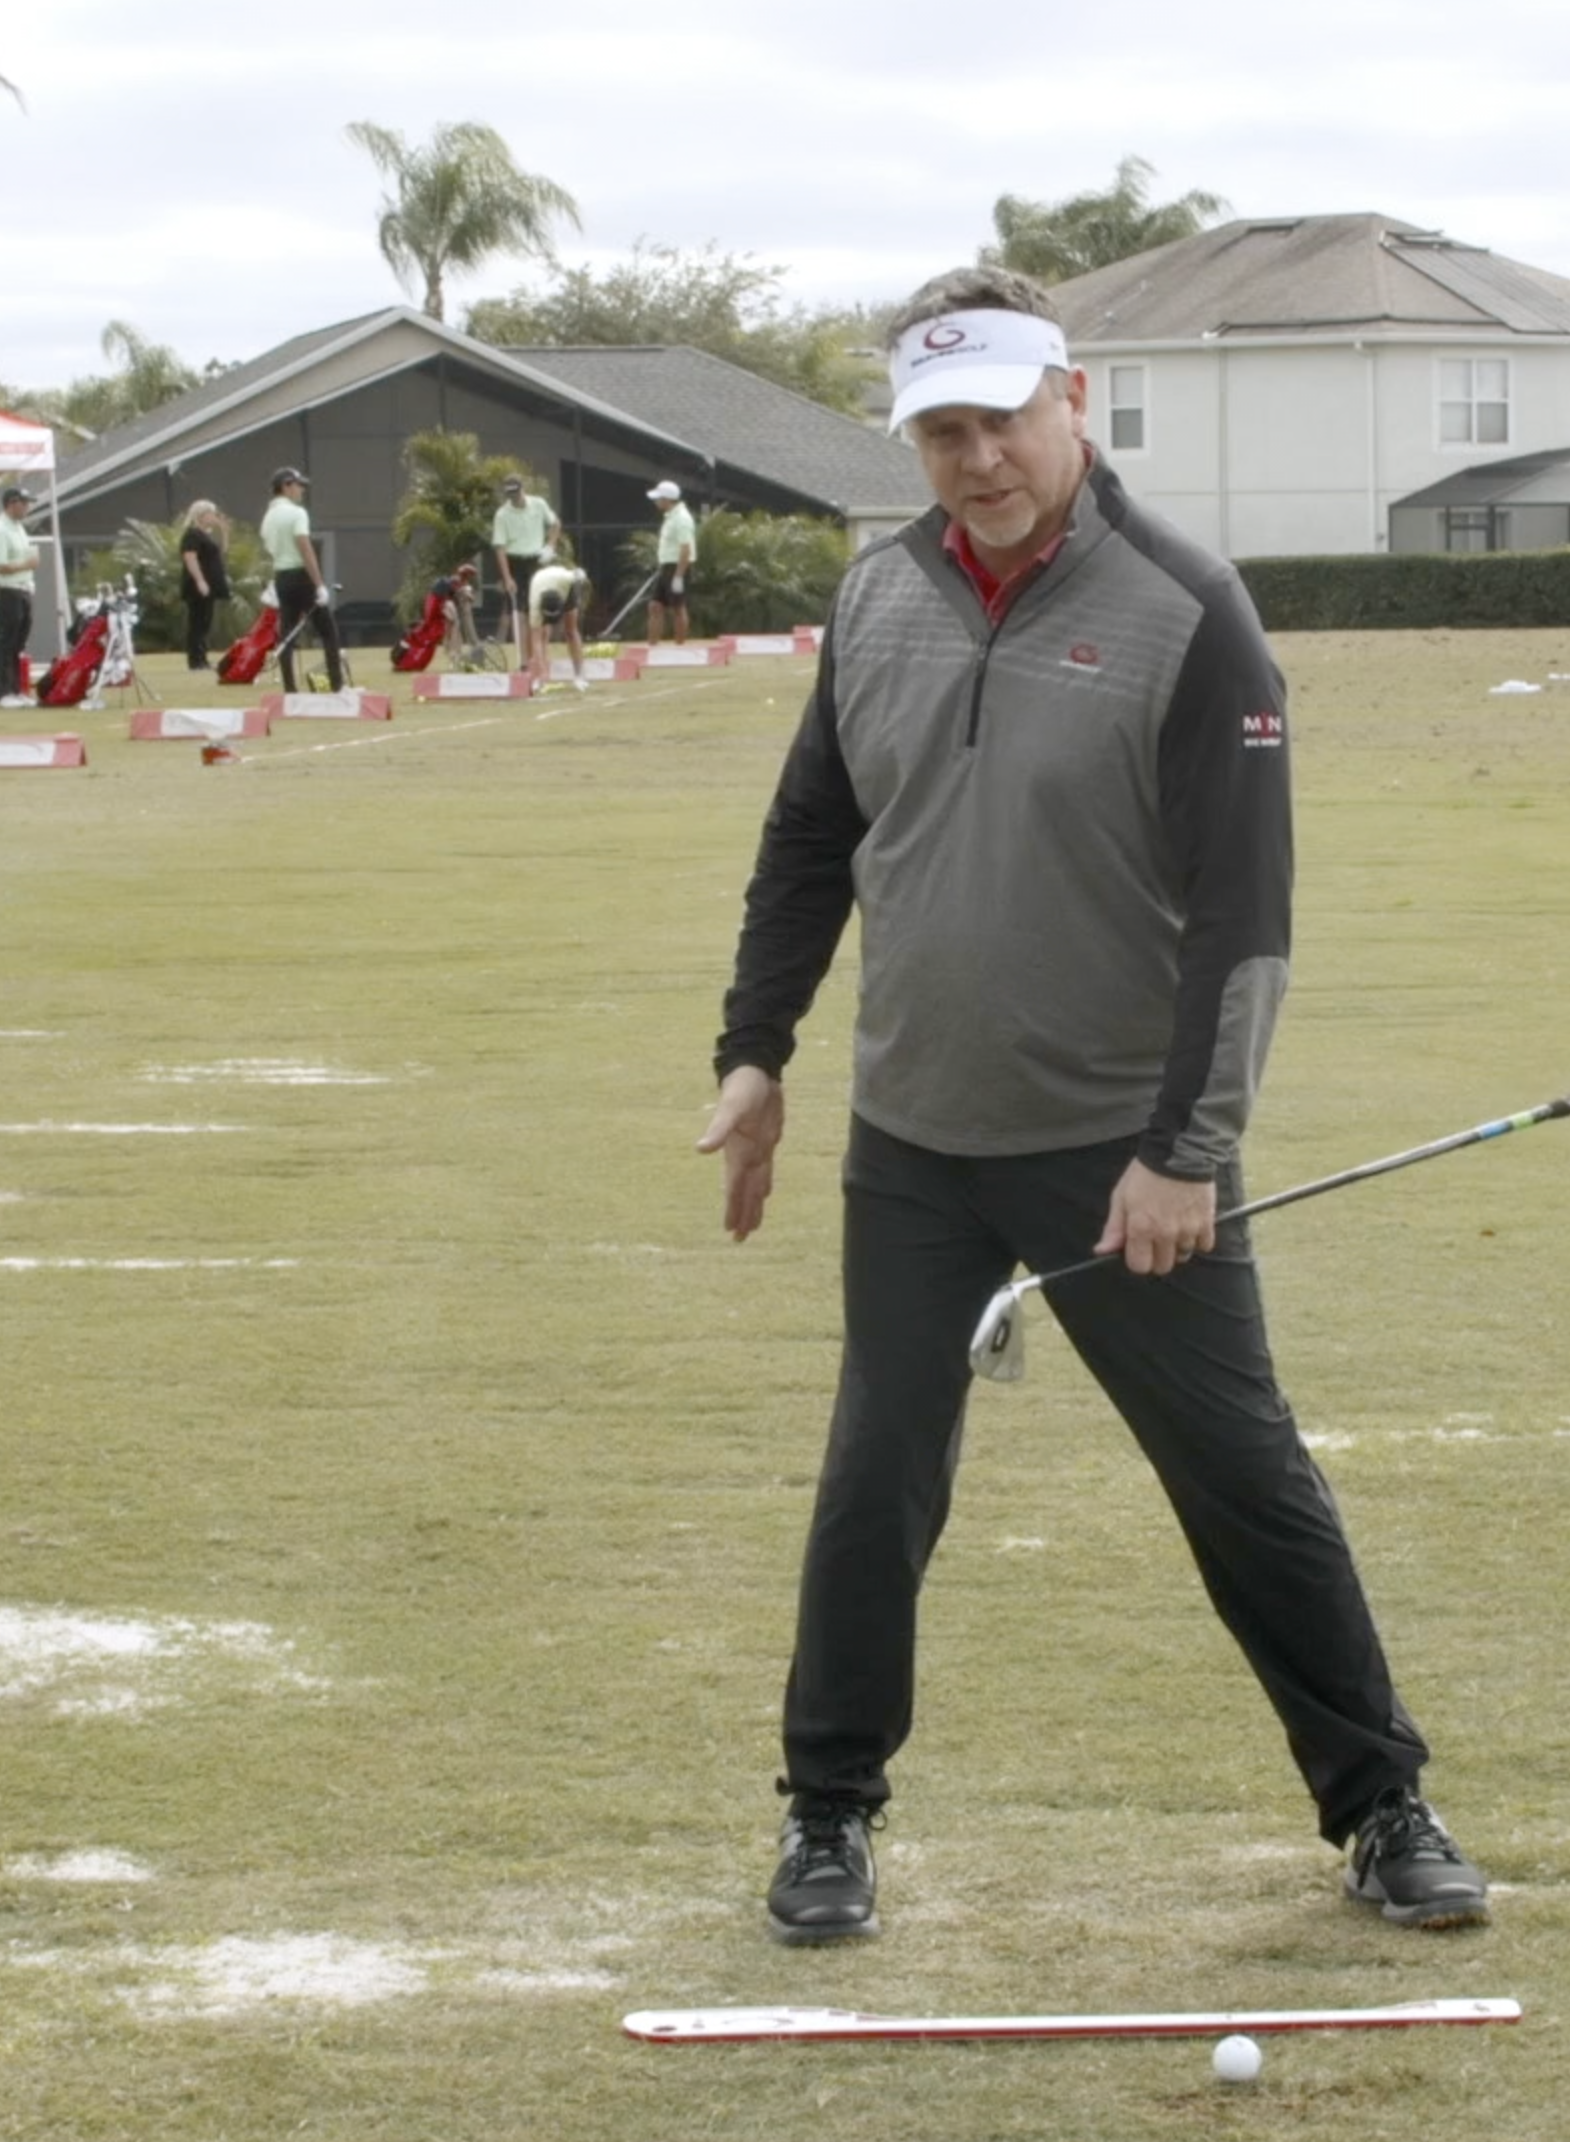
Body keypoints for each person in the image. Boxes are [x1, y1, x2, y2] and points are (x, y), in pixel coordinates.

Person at [693, 266, 1488, 1949]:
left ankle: (1381, 1806)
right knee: (873, 1478)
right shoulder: (877, 598)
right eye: (938, 432)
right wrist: (753, 1050)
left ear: (1073, 397)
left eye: (995, 419)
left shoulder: (1188, 610)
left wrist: (1181, 1151)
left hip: (1119, 1153)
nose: (971, 458)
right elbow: (807, 840)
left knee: (1238, 1478)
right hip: (910, 1139)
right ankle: (826, 1818)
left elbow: (1240, 918)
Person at [261, 466, 329, 693]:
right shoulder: (297, 513)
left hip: (281, 577)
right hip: (301, 576)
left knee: (287, 633)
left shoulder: (268, 516)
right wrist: (319, 584)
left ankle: (290, 689)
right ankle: (337, 686)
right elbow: (305, 548)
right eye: (298, 485)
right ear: (286, 486)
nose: (301, 490)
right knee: (328, 631)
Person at [488, 471, 559, 674]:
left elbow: (555, 524)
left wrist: (550, 546)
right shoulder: (502, 514)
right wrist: (508, 577)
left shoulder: (538, 504)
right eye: (509, 494)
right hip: (515, 561)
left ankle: (541, 656)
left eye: (516, 492)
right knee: (519, 614)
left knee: (540, 610)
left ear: (522, 489)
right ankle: (526, 662)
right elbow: (500, 548)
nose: (513, 497)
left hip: (536, 560)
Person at [0, 486, 37, 705]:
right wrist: (26, 564)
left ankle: (17, 689)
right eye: (23, 503)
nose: (27, 507)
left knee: (19, 643)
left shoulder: (18, 528)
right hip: (7, 591)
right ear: (11, 504)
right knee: (7, 641)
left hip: (24, 589)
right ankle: (5, 692)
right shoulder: (0, 531)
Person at [523, 534, 590, 690]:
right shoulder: (535, 604)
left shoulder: (568, 579)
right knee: (541, 635)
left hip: (565, 589)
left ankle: (579, 676)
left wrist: (579, 596)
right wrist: (542, 672)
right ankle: (538, 678)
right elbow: (536, 642)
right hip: (542, 583)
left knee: (571, 631)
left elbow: (581, 575)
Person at [178, 500, 229, 670]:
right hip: (198, 584)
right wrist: (200, 580)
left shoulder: (205, 535)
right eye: (211, 514)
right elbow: (190, 557)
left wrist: (224, 530)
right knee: (198, 622)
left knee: (205, 621)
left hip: (211, 584)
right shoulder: (192, 534)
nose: (214, 517)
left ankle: (202, 658)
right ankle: (195, 660)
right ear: (201, 515)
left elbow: (220, 552)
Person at [646, 479, 699, 645]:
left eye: (658, 498)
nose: (655, 501)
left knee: (678, 608)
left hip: (678, 568)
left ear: (667, 499)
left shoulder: (682, 518)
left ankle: (680, 649)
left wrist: (678, 576)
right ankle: (652, 647)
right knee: (655, 606)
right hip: (666, 567)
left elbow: (686, 549)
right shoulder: (671, 517)